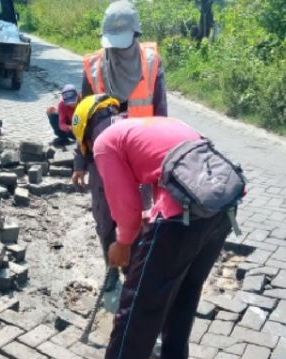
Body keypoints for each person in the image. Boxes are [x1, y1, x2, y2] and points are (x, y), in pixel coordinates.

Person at [61, 96, 232, 359]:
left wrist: (121, 242)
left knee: (139, 301)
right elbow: (171, 176)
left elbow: (124, 211)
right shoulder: (153, 124)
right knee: (186, 288)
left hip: (184, 217)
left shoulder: (105, 143)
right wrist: (151, 216)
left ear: (86, 134)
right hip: (221, 208)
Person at [73, 0, 167, 292]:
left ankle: (132, 272)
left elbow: (161, 116)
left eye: (122, 44)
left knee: (138, 218)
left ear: (136, 34)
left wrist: (161, 167)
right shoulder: (94, 66)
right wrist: (79, 162)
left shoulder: (152, 64)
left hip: (139, 159)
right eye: (111, 44)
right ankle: (110, 267)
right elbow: (83, 117)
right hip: (103, 159)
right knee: (104, 218)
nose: (116, 50)